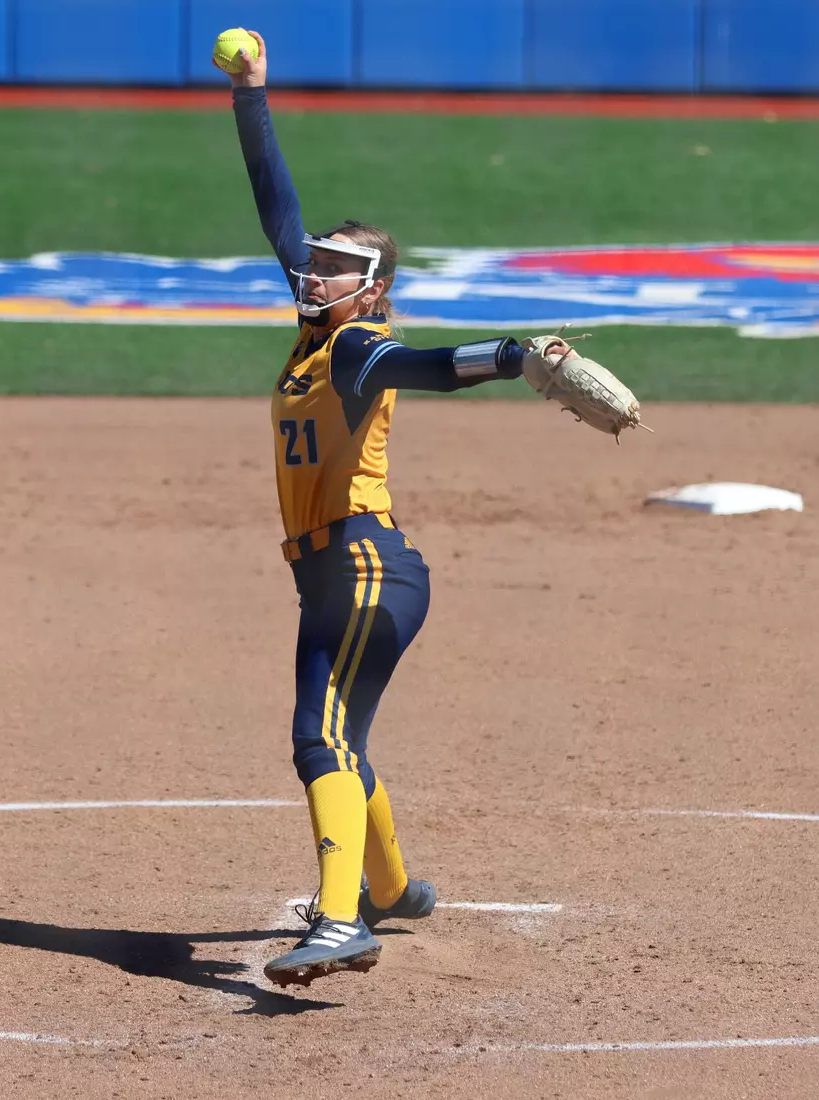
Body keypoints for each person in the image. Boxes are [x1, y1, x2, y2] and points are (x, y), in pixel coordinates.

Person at [220, 32, 575, 988]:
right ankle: (391, 888)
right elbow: (275, 207)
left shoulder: (357, 345)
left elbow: (422, 369)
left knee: (319, 738)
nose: (313, 269)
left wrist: (502, 356)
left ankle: (340, 922)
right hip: (339, 574)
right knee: (344, 735)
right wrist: (254, 93)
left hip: (365, 569)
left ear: (370, 289)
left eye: (334, 265)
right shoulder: (313, 334)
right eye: (317, 260)